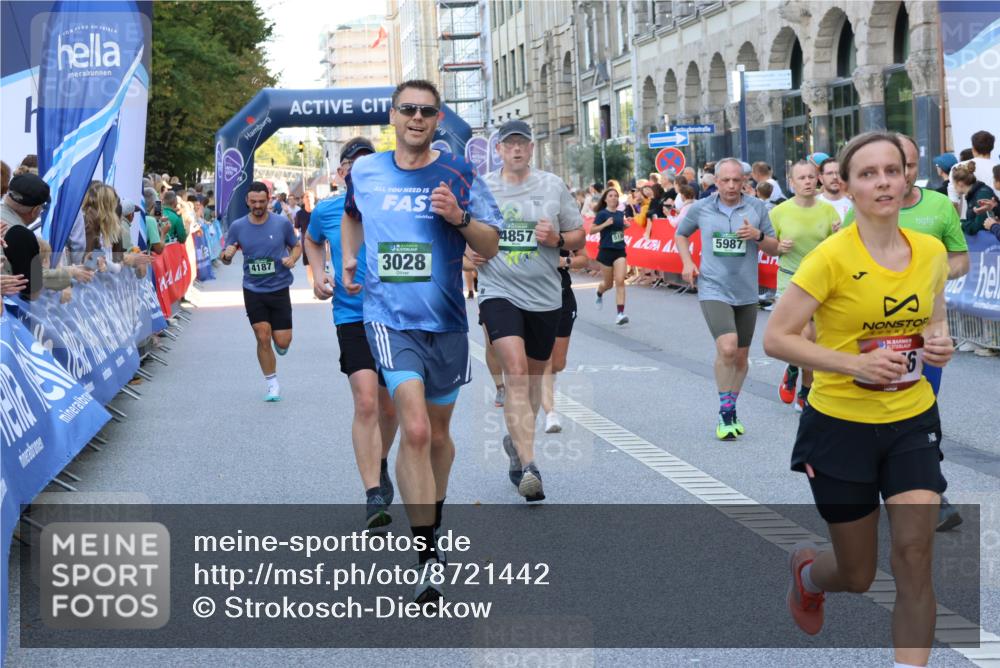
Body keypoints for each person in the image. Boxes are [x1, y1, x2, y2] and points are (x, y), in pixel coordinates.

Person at [763, 131, 953, 667]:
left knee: (915, 556)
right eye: (868, 174)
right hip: (840, 425)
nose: (883, 182)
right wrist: (855, 364)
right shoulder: (829, 258)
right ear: (844, 187)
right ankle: (808, 573)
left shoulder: (932, 252)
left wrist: (939, 343)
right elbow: (777, 338)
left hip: (912, 420)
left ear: (906, 177)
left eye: (891, 170)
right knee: (858, 573)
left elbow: (933, 317)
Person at [341, 79, 502, 602]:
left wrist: (460, 218)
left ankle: (432, 510)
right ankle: (427, 551)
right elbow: (351, 215)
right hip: (388, 319)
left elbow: (492, 244)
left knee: (436, 435)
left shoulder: (458, 170)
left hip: (447, 322)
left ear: (438, 120)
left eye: (426, 111)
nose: (416, 117)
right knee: (411, 429)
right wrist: (349, 258)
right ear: (392, 116)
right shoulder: (365, 170)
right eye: (407, 109)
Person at [473, 119, 585, 502]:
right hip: (498, 290)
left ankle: (517, 447)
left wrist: (558, 239)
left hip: (545, 294)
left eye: (522, 143)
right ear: (500, 150)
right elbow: (461, 230)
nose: (516, 150)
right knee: (516, 371)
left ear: (531, 149)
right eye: (509, 145)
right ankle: (531, 464)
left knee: (535, 379)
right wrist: (467, 251)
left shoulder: (552, 185)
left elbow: (578, 236)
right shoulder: (483, 187)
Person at [304, 137, 399, 529]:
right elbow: (310, 240)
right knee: (365, 403)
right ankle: (373, 493)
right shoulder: (326, 211)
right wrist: (317, 274)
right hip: (351, 316)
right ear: (342, 173)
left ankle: (378, 459)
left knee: (389, 405)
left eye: (368, 165)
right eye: (353, 167)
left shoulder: (392, 208)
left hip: (394, 317)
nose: (360, 173)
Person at [676, 158, 779, 440]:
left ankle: (731, 408)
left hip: (746, 289)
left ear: (745, 181)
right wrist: (687, 263)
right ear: (716, 182)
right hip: (713, 287)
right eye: (726, 181)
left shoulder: (757, 207)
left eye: (737, 180)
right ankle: (724, 412)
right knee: (728, 347)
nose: (732, 186)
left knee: (742, 355)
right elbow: (681, 234)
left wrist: (757, 235)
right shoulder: (701, 207)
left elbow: (775, 248)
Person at [220, 181, 301, 401]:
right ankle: (272, 384)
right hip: (253, 288)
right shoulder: (237, 226)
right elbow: (225, 258)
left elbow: (296, 245)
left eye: (262, 202)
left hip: (279, 287)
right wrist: (226, 255)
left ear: (269, 200)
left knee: (282, 342)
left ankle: (279, 342)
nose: (257, 205)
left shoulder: (281, 223)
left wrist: (292, 258)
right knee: (262, 336)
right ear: (247, 201)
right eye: (253, 202)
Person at [769, 161, 840, 409]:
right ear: (792, 183)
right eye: (802, 178)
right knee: (803, 336)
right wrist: (778, 247)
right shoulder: (779, 212)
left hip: (819, 282)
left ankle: (805, 390)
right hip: (789, 279)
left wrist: (837, 235)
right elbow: (767, 245)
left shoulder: (828, 212)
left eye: (811, 177)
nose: (808, 182)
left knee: (812, 340)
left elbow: (836, 249)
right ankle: (792, 369)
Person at [1, 173, 90, 290]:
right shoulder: (21, 235)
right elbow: (33, 280)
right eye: (41, 208)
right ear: (35, 210)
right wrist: (70, 272)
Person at [540, 248, 588, 433]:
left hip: (563, 297)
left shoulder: (567, 226)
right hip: (536, 298)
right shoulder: (525, 223)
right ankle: (550, 413)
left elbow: (584, 260)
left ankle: (541, 385)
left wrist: (564, 261)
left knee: (558, 364)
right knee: (545, 359)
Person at [592, 187, 631, 325]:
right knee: (608, 284)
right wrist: (605, 224)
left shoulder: (620, 214)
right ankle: (599, 292)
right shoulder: (602, 214)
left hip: (619, 250)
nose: (613, 198)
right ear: (605, 199)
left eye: (615, 195)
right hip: (606, 251)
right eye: (610, 195)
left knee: (620, 280)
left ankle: (620, 314)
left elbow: (619, 229)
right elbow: (591, 230)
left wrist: (625, 227)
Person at [947, 130, 997, 213]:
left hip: (967, 221)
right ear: (992, 148)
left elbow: (953, 202)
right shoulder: (997, 168)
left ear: (973, 148)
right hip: (996, 221)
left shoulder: (958, 167)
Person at [951, 161, 997, 236]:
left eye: (953, 184)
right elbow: (973, 221)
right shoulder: (973, 194)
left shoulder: (982, 194)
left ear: (960, 183)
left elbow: (980, 226)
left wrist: (960, 224)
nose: (953, 187)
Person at [817, 157, 852, 222]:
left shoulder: (853, 204)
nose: (835, 177)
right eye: (829, 173)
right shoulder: (813, 204)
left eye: (838, 173)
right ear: (821, 178)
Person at [295, 191, 315, 286]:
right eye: (306, 197)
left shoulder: (318, 211)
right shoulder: (299, 214)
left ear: (314, 198)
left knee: (319, 265)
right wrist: (298, 240)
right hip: (305, 242)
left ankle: (318, 284)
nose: (308, 198)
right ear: (303, 200)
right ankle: (313, 286)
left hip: (319, 241)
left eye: (310, 196)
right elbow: (296, 228)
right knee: (309, 266)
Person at [142, 188, 164, 253]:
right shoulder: (150, 221)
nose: (158, 207)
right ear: (153, 205)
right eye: (157, 204)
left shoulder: (139, 216)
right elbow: (159, 250)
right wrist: (164, 233)